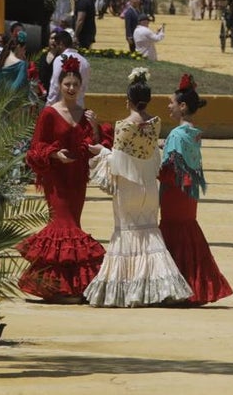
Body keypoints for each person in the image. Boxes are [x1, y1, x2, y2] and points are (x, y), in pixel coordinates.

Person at [84, 69, 193, 307]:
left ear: (128, 101)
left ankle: (126, 288)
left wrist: (101, 151)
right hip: (148, 187)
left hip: (129, 188)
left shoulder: (123, 126)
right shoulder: (155, 124)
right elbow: (153, 156)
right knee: (150, 234)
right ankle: (159, 286)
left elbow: (117, 163)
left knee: (126, 234)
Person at [17, 57, 105, 302]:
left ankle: (66, 286)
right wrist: (55, 154)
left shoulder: (84, 114)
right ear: (60, 84)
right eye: (67, 84)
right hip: (57, 179)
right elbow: (35, 149)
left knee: (72, 227)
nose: (71, 88)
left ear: (81, 86)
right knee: (63, 228)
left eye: (75, 84)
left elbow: (96, 146)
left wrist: (95, 126)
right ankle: (60, 287)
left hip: (77, 179)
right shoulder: (49, 113)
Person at [158, 74, 233, 306]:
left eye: (172, 103)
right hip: (189, 195)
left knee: (174, 233)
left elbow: (171, 168)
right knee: (188, 232)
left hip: (174, 193)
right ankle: (195, 285)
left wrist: (154, 169)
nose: (169, 106)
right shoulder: (193, 133)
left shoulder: (176, 134)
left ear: (182, 106)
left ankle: (177, 288)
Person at [46, 30, 88, 106]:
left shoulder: (60, 59)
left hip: (62, 105)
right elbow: (84, 87)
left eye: (56, 45)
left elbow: (55, 85)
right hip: (79, 105)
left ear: (61, 44)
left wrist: (49, 105)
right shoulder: (85, 61)